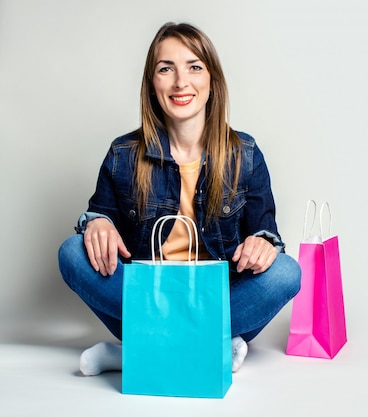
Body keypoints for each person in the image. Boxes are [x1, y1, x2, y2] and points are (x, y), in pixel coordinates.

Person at [57, 22, 301, 375]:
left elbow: (266, 234)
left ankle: (133, 355)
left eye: (194, 67)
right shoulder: (123, 153)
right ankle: (209, 347)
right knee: (71, 252)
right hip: (148, 298)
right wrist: (98, 224)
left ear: (212, 81)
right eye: (166, 68)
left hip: (217, 299)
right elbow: (100, 218)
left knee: (286, 273)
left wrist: (263, 245)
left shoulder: (244, 153)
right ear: (152, 84)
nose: (180, 82)